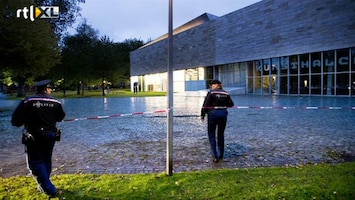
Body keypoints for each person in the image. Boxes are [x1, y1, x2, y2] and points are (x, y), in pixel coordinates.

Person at [11, 80, 65, 197]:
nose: (51, 91)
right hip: (50, 136)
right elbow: (60, 117)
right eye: (50, 89)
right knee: (46, 160)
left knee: (35, 163)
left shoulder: (27, 101)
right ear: (46, 88)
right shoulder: (56, 102)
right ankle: (44, 185)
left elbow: (15, 121)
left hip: (33, 137)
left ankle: (50, 190)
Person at [200, 80, 234, 163]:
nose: (211, 86)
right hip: (223, 114)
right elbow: (231, 104)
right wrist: (223, 105)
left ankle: (215, 156)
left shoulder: (211, 93)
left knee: (211, 135)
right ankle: (221, 155)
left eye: (212, 84)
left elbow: (205, 105)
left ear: (217, 85)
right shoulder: (226, 93)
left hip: (213, 114)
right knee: (220, 134)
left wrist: (202, 115)